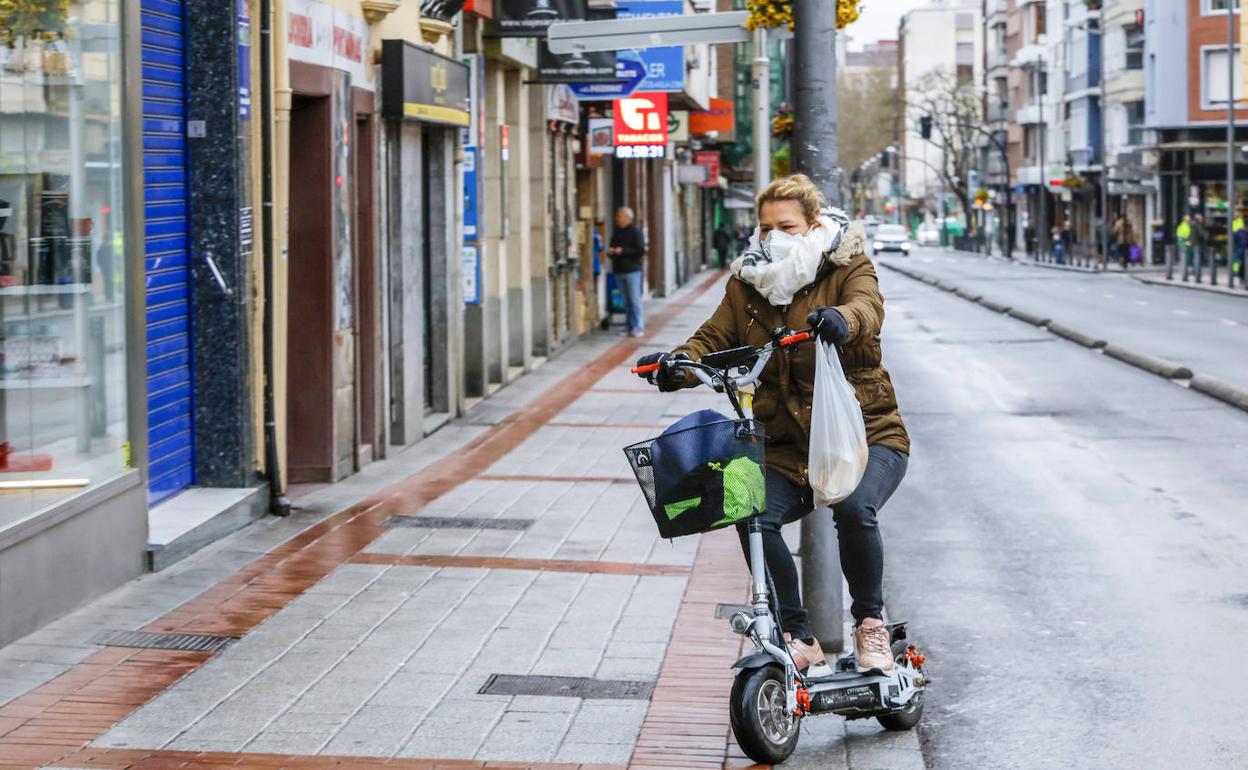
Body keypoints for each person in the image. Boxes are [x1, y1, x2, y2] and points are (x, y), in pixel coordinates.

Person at [634, 174, 910, 675]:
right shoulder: (748, 283)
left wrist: (840, 320)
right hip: (787, 444)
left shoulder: (847, 264)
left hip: (865, 436)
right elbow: (712, 335)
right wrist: (676, 363)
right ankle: (797, 635)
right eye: (765, 228)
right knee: (752, 515)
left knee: (852, 508)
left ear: (813, 223)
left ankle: (871, 624)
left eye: (787, 226)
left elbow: (868, 308)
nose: (774, 237)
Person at [608, 207, 646, 336]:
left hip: (632, 272)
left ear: (628, 217)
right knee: (626, 303)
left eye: (619, 216)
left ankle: (638, 327)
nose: (617, 218)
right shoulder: (617, 232)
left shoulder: (635, 232)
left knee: (634, 301)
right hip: (619, 271)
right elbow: (612, 247)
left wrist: (622, 251)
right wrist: (611, 252)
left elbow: (640, 250)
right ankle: (629, 326)